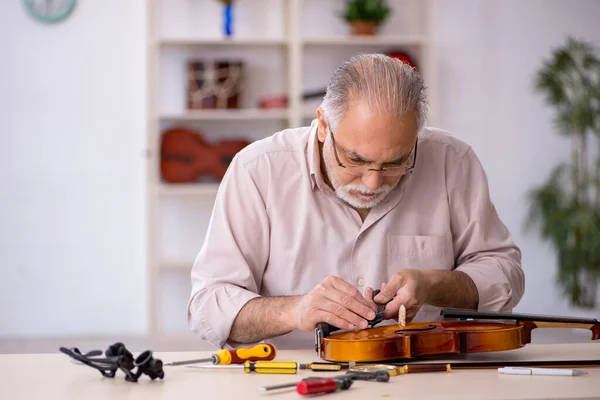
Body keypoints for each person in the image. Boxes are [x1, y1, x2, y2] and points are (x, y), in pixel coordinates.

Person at [186, 53, 525, 350]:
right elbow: (209, 306)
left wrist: (436, 284)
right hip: (295, 380)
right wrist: (296, 310)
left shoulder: (453, 161)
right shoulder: (258, 170)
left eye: (395, 163)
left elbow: (505, 274)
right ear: (322, 125)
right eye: (355, 159)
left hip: (426, 375)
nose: (373, 182)